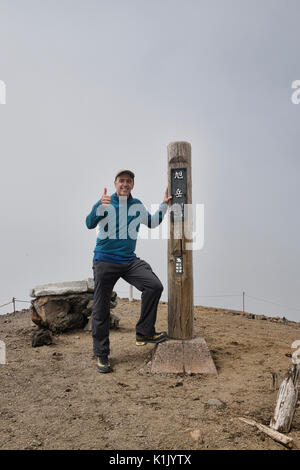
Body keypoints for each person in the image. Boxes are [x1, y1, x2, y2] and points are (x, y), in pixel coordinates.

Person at [85, 170, 172, 373]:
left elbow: (151, 222)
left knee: (154, 286)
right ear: (115, 183)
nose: (125, 184)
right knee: (101, 308)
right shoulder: (105, 203)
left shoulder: (136, 205)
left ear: (132, 184)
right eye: (121, 180)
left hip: (129, 260)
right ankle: (102, 355)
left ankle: (144, 332)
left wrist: (164, 205)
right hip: (105, 261)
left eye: (128, 181)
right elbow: (89, 224)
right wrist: (99, 206)